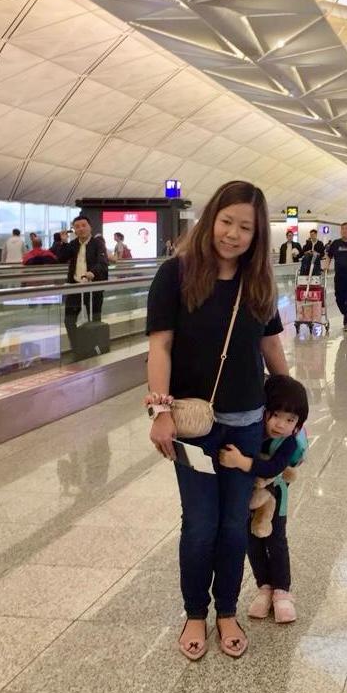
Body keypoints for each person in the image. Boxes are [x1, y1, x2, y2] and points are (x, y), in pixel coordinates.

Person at [146, 180, 288, 661]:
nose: (233, 234)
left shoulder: (259, 281)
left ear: (257, 234)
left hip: (247, 423)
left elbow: (270, 345)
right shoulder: (177, 274)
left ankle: (227, 609)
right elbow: (160, 347)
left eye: (245, 228)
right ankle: (195, 613)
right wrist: (160, 412)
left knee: (233, 524)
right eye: (227, 221)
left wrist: (292, 405)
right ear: (211, 219)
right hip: (194, 427)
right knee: (200, 524)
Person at [218, 374, 308, 624]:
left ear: (298, 424)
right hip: (247, 498)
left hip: (276, 499)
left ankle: (282, 591)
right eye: (275, 415)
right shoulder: (252, 433)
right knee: (253, 541)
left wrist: (241, 462)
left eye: (290, 420)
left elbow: (273, 468)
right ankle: (264, 587)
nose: (281, 424)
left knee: (276, 540)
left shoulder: (288, 443)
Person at [57, 216, 109, 348]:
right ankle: (78, 347)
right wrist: (63, 242)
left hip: (93, 288)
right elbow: (61, 258)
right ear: (74, 230)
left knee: (94, 320)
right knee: (69, 321)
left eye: (84, 225)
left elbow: (103, 263)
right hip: (75, 288)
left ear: (90, 227)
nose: (81, 229)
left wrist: (92, 273)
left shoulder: (98, 243)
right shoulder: (73, 244)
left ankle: (94, 347)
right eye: (77, 226)